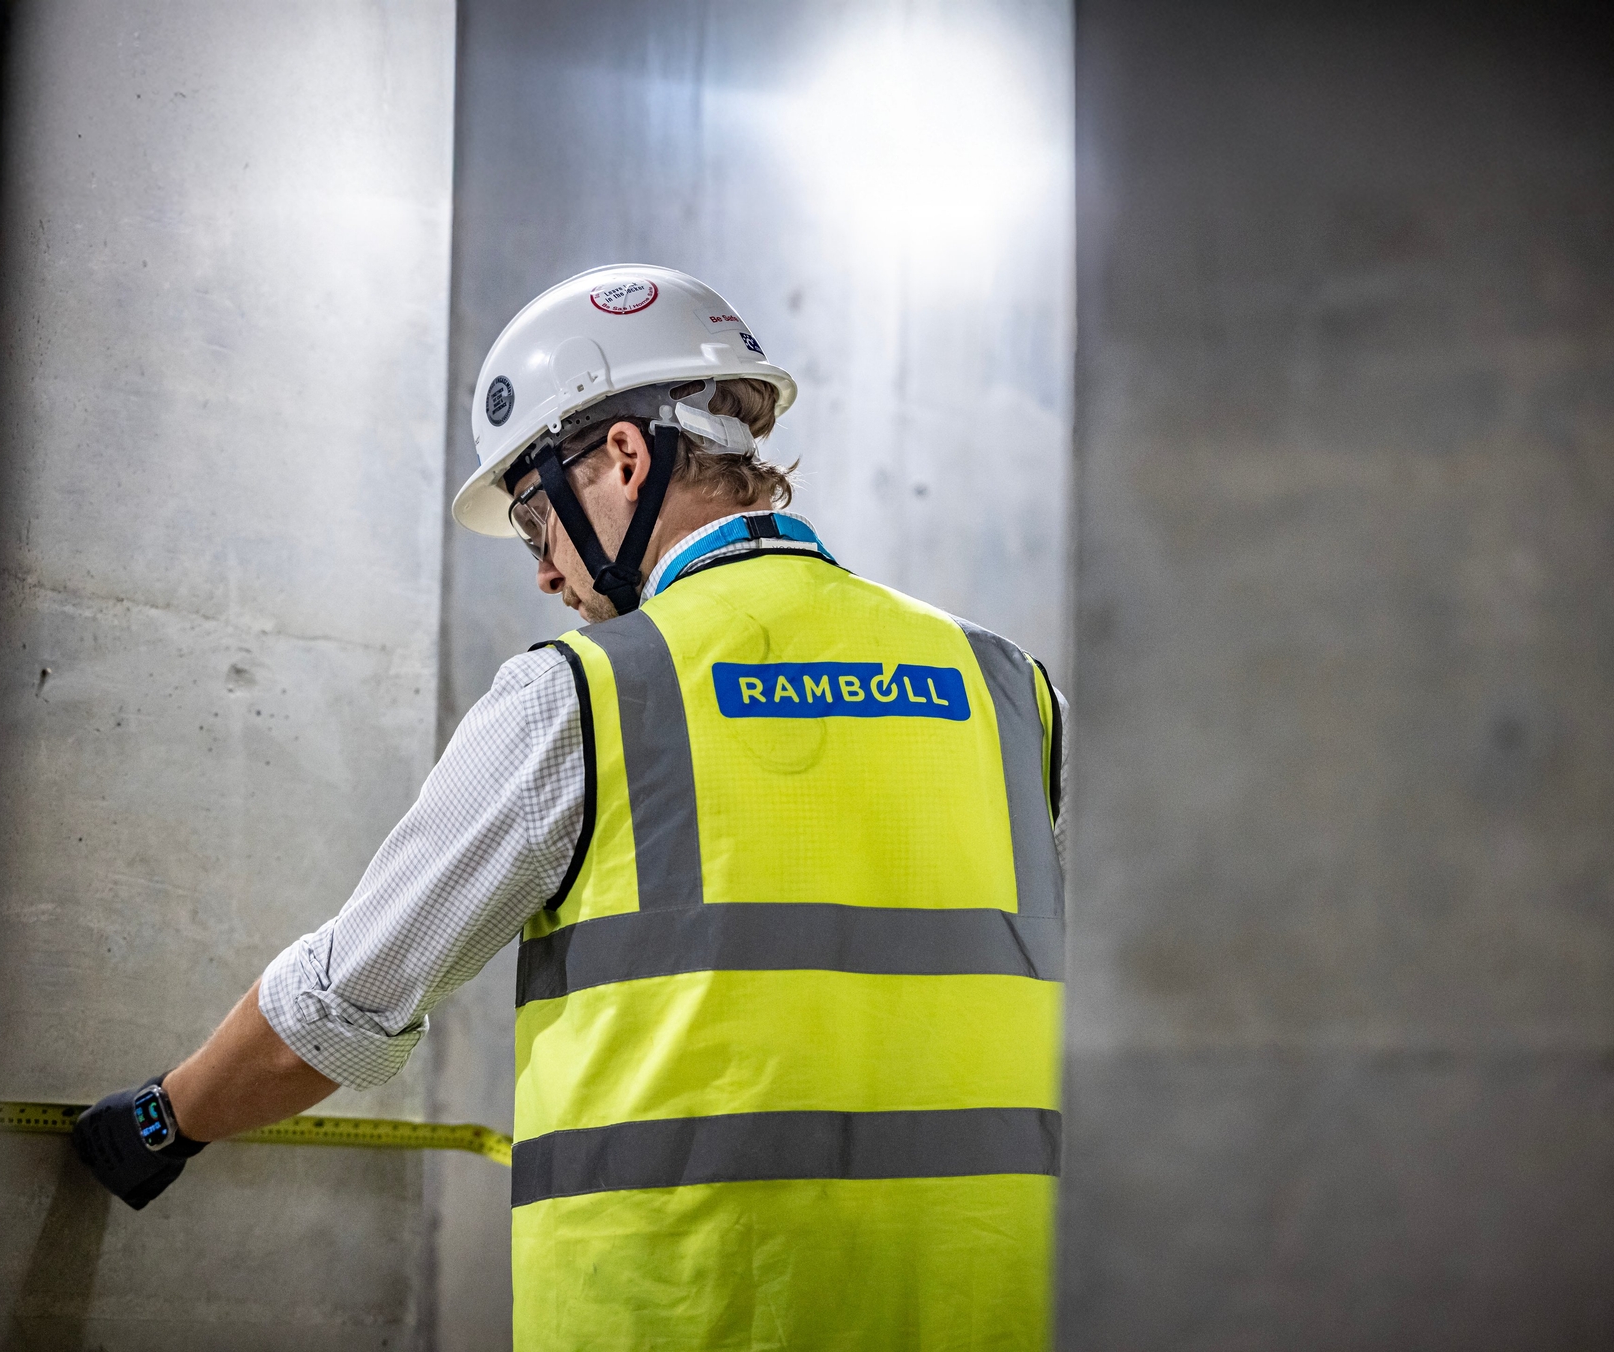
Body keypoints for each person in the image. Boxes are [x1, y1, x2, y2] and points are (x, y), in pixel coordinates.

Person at [72, 265, 1068, 1350]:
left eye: (540, 522)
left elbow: (340, 1007)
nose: (548, 574)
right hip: (978, 1311)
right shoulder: (1009, 686)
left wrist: (163, 1120)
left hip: (685, 1314)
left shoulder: (587, 694)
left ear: (626, 458)